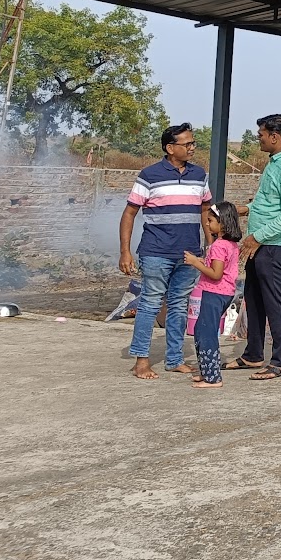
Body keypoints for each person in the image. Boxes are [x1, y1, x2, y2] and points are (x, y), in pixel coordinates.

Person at [118, 121, 211, 381]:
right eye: (187, 143)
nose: (192, 147)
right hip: (156, 252)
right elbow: (129, 214)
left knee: (180, 306)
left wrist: (211, 244)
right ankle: (141, 361)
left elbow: (205, 212)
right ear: (170, 148)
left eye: (193, 143)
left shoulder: (199, 175)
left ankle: (174, 359)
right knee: (149, 304)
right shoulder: (149, 175)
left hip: (189, 255)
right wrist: (125, 252)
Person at [227, 114, 281, 382]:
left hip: (276, 245)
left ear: (275, 136)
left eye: (261, 134)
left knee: (275, 304)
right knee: (255, 299)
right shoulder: (275, 164)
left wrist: (258, 236)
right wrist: (245, 210)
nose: (258, 138)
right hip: (262, 244)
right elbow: (269, 204)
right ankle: (253, 354)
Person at [182, 201, 241, 389]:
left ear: (222, 223)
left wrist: (194, 262)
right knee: (201, 329)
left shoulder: (218, 246)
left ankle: (213, 378)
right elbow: (220, 268)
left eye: (210, 221)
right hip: (225, 293)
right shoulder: (230, 245)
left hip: (215, 293)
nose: (207, 224)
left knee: (206, 333)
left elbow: (216, 274)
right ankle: (207, 370)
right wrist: (203, 261)